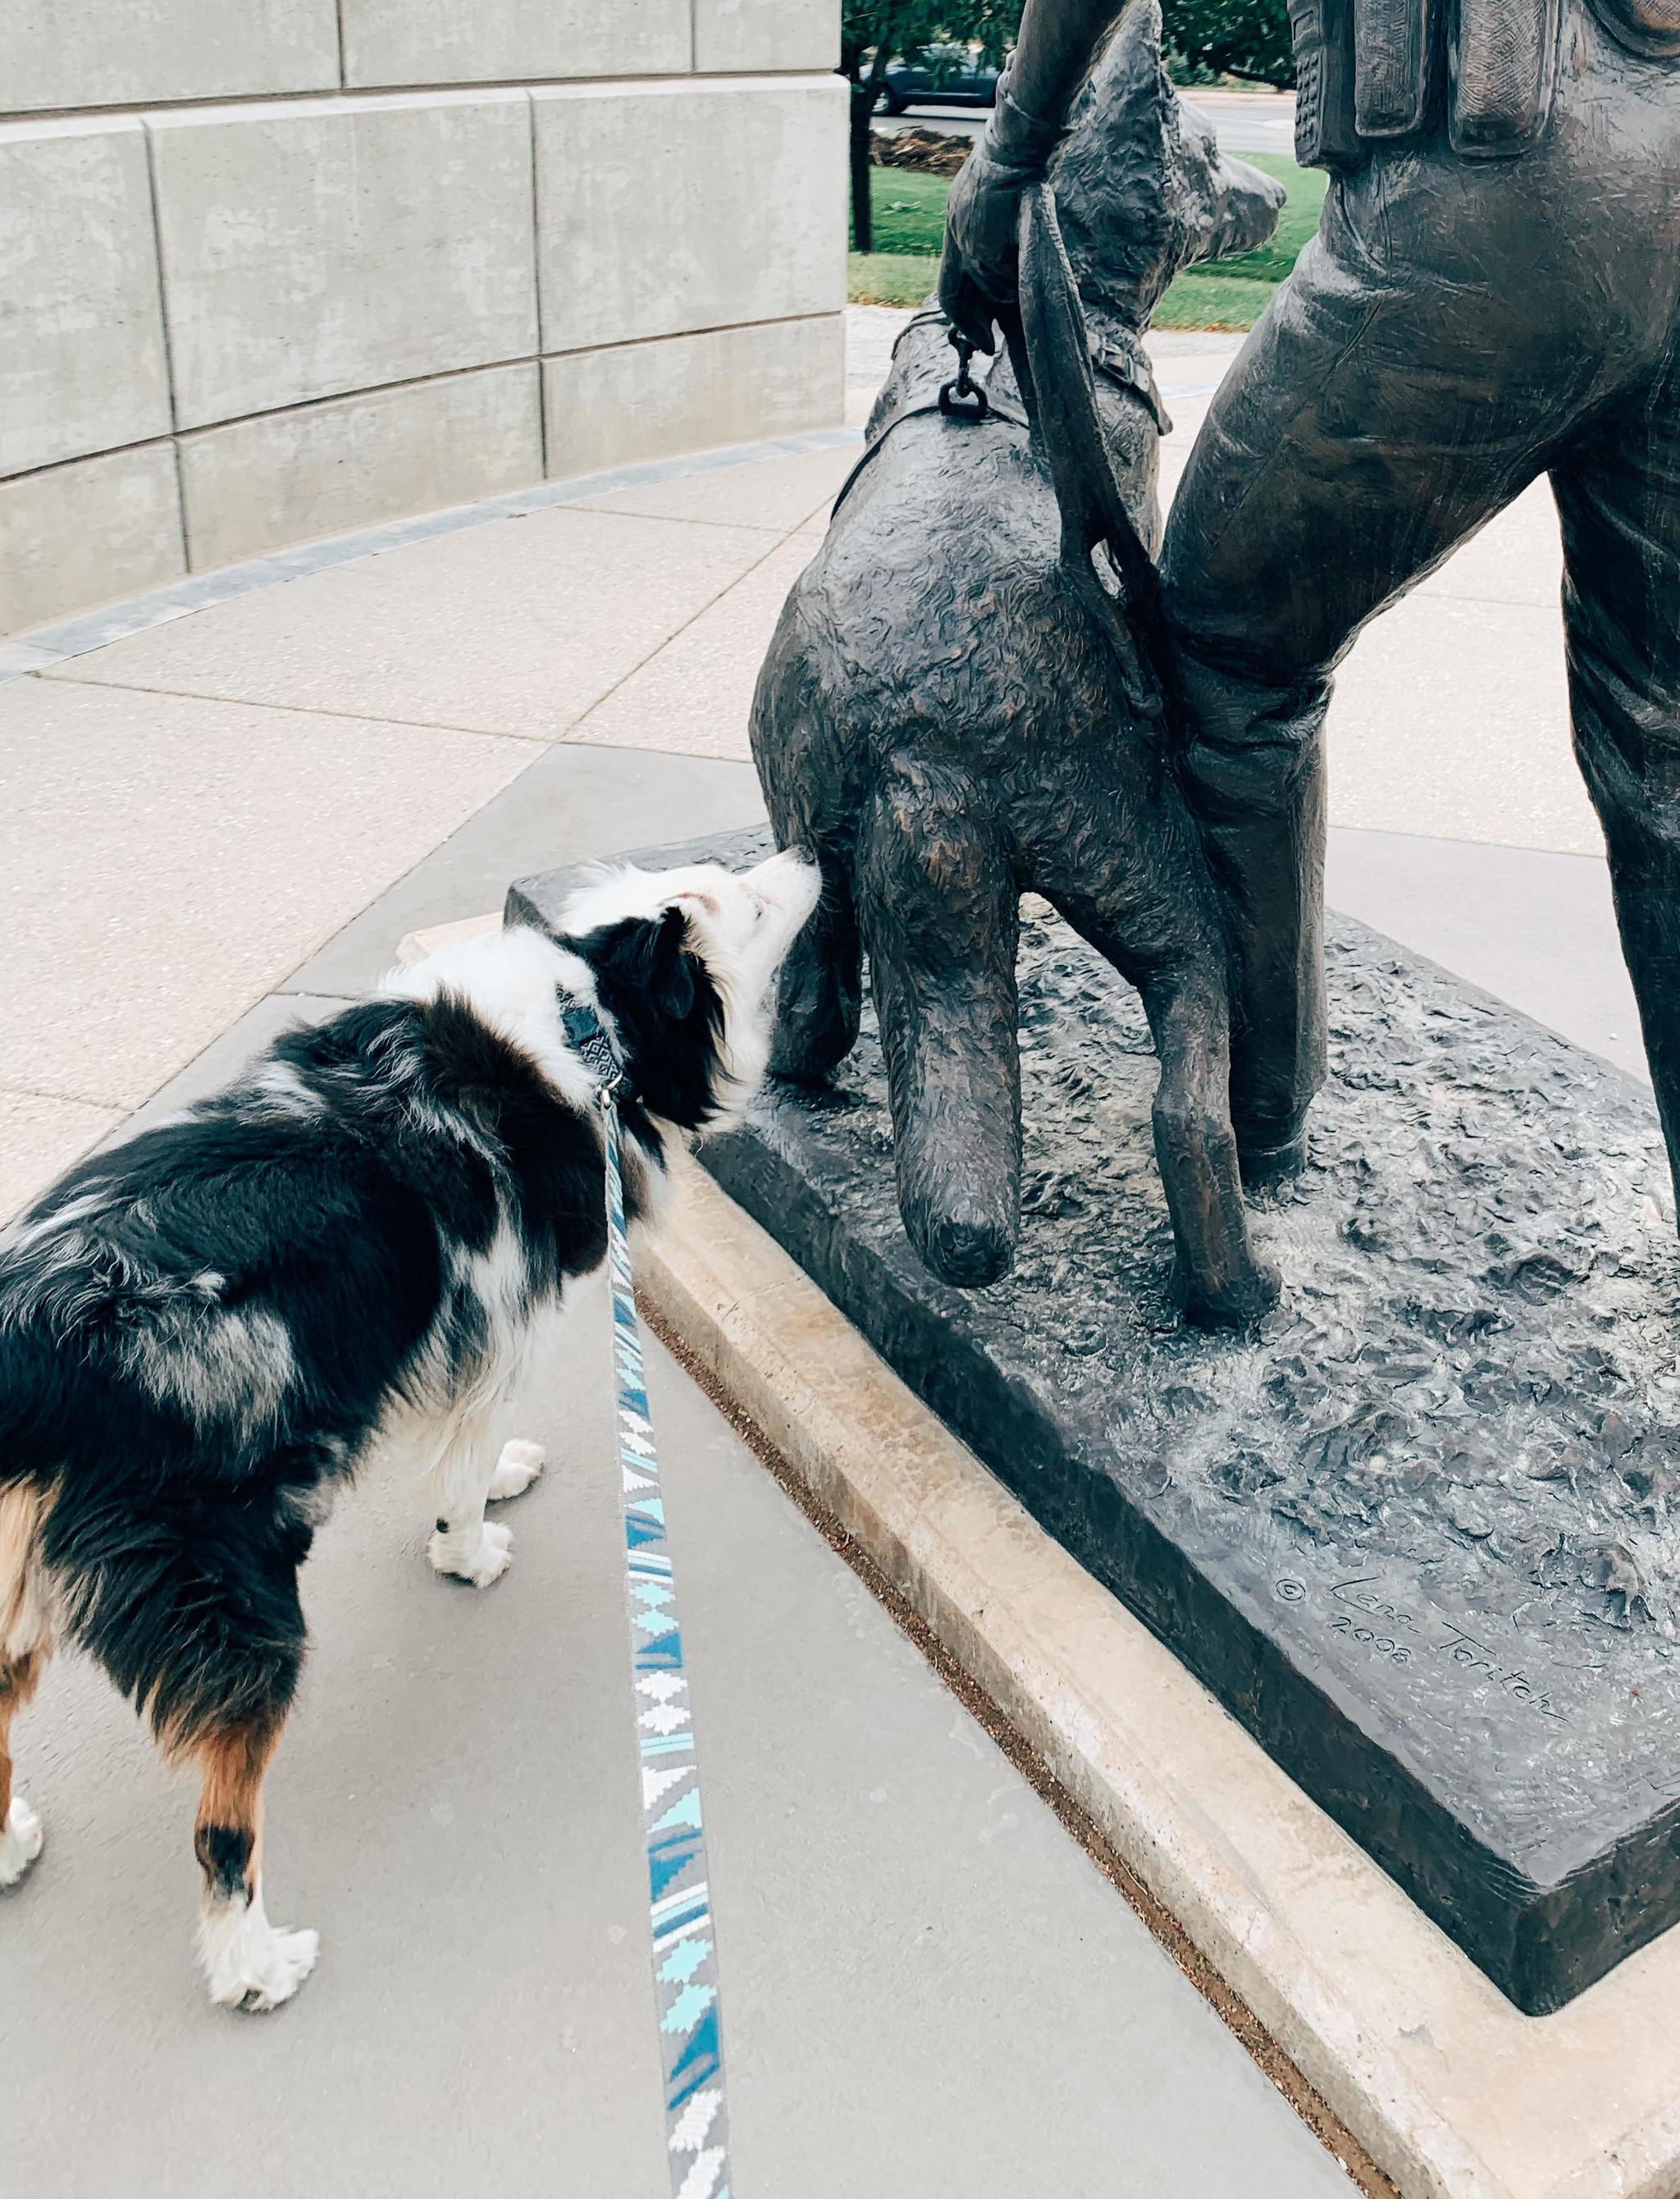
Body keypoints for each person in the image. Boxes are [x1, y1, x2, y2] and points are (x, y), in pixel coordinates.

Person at [940, 0, 1680, 1197]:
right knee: (1670, 766)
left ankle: (1257, 1121)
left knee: (1227, 652)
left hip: (1491, 194)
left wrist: (1013, 151)